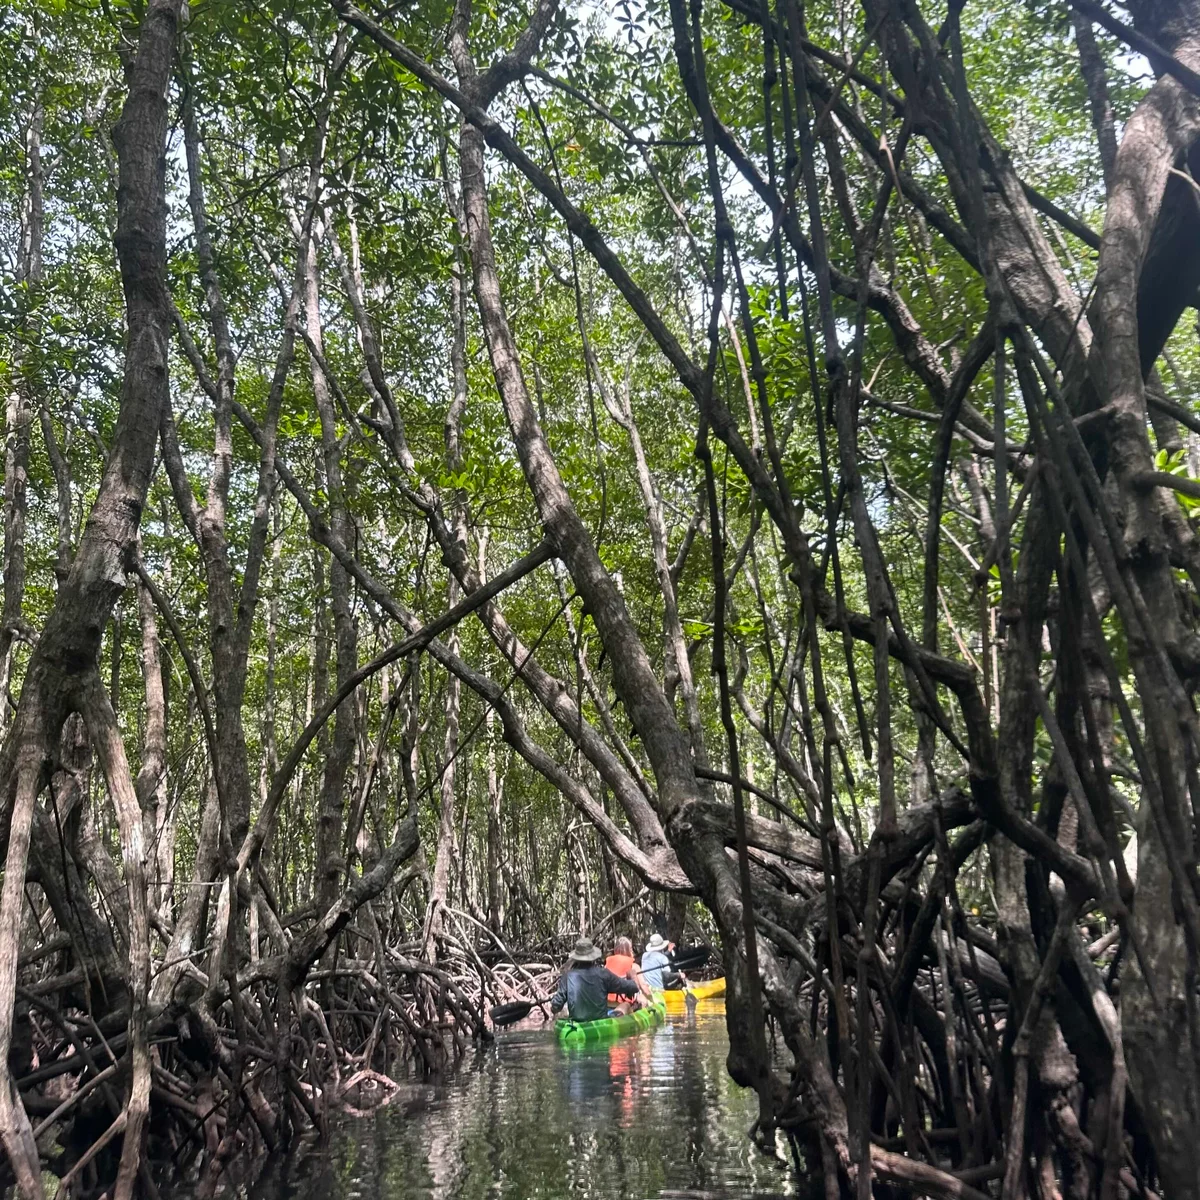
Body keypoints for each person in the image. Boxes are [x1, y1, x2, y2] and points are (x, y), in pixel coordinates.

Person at [550, 937, 638, 1022]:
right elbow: (633, 987)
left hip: (577, 1024)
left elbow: (556, 1006)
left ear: (576, 958)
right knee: (625, 1005)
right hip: (601, 1023)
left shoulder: (567, 976)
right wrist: (632, 976)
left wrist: (553, 1004)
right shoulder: (603, 974)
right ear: (593, 957)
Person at [605, 936, 651, 1012]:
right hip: (624, 1006)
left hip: (607, 1004)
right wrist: (651, 998)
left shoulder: (607, 965)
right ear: (628, 950)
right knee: (643, 1000)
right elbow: (643, 986)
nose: (632, 951)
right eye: (631, 948)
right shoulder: (634, 966)